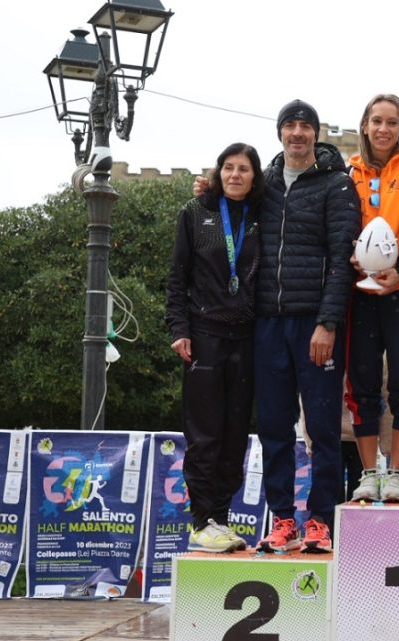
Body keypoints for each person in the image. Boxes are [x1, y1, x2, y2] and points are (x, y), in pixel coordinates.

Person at [254, 99, 361, 552]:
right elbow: (227, 201)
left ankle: (320, 520)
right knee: (274, 427)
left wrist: (328, 322)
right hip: (267, 325)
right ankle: (281, 519)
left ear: (316, 134)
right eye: (290, 125)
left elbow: (342, 259)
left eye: (305, 126)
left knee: (323, 429)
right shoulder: (264, 185)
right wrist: (205, 190)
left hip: (314, 326)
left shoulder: (337, 186)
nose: (297, 133)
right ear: (280, 132)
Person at [165, 142, 264, 553]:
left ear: (255, 176)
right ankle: (201, 519)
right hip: (204, 335)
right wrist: (178, 327)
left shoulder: (263, 214)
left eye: (243, 169)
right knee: (205, 436)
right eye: (228, 168)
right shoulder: (195, 213)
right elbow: (176, 277)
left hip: (248, 336)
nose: (235, 175)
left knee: (234, 436)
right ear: (218, 172)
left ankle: (220, 519)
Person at [344, 94, 399, 502]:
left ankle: (394, 472)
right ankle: (367, 473)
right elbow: (343, 225)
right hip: (361, 289)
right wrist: (351, 259)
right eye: (376, 121)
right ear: (364, 125)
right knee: (361, 382)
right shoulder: (349, 172)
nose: (383, 129)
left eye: (391, 122)